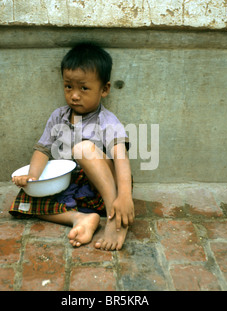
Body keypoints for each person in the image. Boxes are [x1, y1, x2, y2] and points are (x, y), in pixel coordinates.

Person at [10, 43, 134, 251]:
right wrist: (32, 178)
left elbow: (121, 158)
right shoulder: (58, 116)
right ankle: (80, 219)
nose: (75, 95)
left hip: (105, 188)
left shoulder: (107, 121)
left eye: (84, 88)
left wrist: (125, 196)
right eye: (69, 86)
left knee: (83, 149)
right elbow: (43, 149)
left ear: (104, 89)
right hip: (74, 189)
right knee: (25, 201)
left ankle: (116, 220)